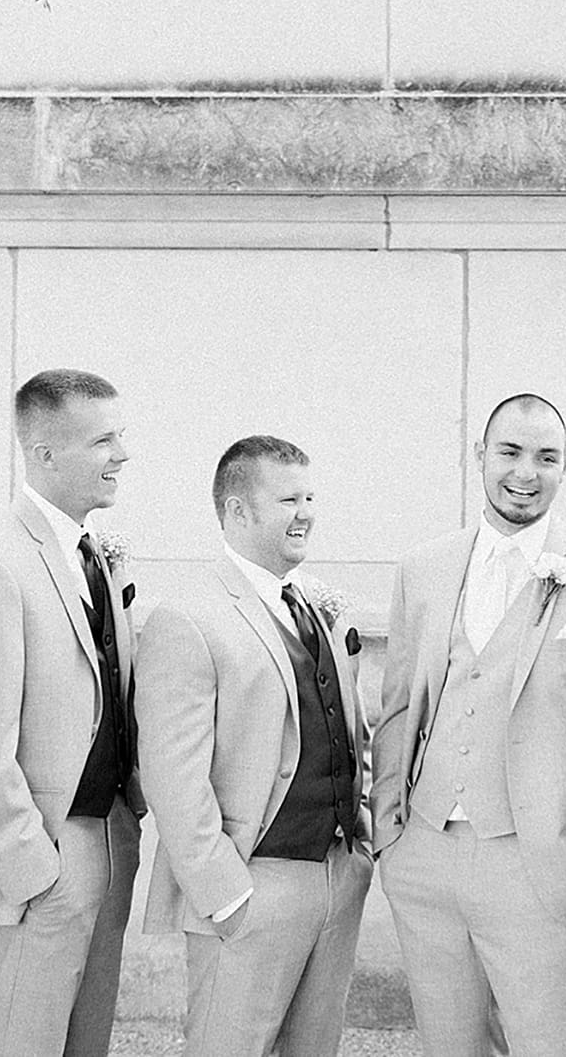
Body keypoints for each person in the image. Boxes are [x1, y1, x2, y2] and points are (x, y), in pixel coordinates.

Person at [372, 393, 566, 1057]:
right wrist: (388, 830)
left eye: (547, 457)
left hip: (541, 856)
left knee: (554, 1045)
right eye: (509, 452)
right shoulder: (423, 566)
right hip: (424, 850)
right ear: (480, 455)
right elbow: (397, 707)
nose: (525, 471)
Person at [137, 435, 371, 1056]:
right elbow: (171, 776)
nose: (306, 512)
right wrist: (227, 894)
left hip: (336, 876)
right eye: (288, 498)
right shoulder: (187, 617)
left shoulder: (316, 607)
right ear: (237, 511)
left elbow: (352, 731)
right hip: (251, 883)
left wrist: (360, 853)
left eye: (310, 496)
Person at [0, 369, 143, 1057]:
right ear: (46, 453)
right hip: (44, 856)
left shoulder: (93, 556)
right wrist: (36, 869)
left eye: (121, 436)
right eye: (103, 440)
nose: (122, 454)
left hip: (107, 839)